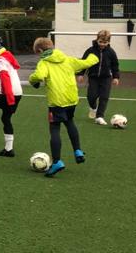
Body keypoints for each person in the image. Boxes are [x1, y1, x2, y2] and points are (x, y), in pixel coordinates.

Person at [28, 37, 97, 177]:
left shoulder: (44, 62)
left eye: (37, 53)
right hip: (72, 99)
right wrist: (93, 52)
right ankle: (77, 150)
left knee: (54, 129)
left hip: (57, 102)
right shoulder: (67, 59)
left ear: (40, 50)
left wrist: (32, 80)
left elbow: (39, 75)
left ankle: (57, 162)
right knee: (70, 122)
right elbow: (88, 62)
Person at [79, 30, 120, 125]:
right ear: (97, 40)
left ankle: (99, 116)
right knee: (91, 96)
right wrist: (81, 74)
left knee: (104, 97)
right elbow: (83, 62)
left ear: (109, 42)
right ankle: (93, 108)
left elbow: (115, 65)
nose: (102, 44)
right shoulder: (90, 50)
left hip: (106, 78)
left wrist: (116, 77)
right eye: (100, 42)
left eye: (105, 42)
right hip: (93, 77)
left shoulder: (111, 52)